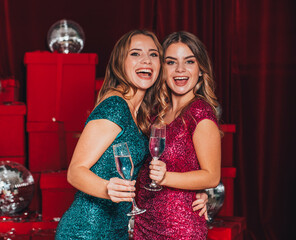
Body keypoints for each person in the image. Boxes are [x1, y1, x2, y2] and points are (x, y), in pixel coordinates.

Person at [55, 30, 208, 240]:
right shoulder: (115, 106)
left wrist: (198, 192)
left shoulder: (144, 114)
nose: (146, 60)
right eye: (135, 54)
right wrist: (106, 188)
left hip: (118, 230)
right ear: (120, 63)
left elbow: (150, 171)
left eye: (153, 54)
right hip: (86, 231)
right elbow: (75, 171)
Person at [134, 31, 222, 239]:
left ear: (200, 69)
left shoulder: (201, 113)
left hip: (179, 229)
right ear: (162, 69)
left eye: (189, 61)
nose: (180, 69)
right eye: (171, 62)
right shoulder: (155, 113)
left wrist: (166, 177)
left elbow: (212, 175)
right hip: (145, 224)